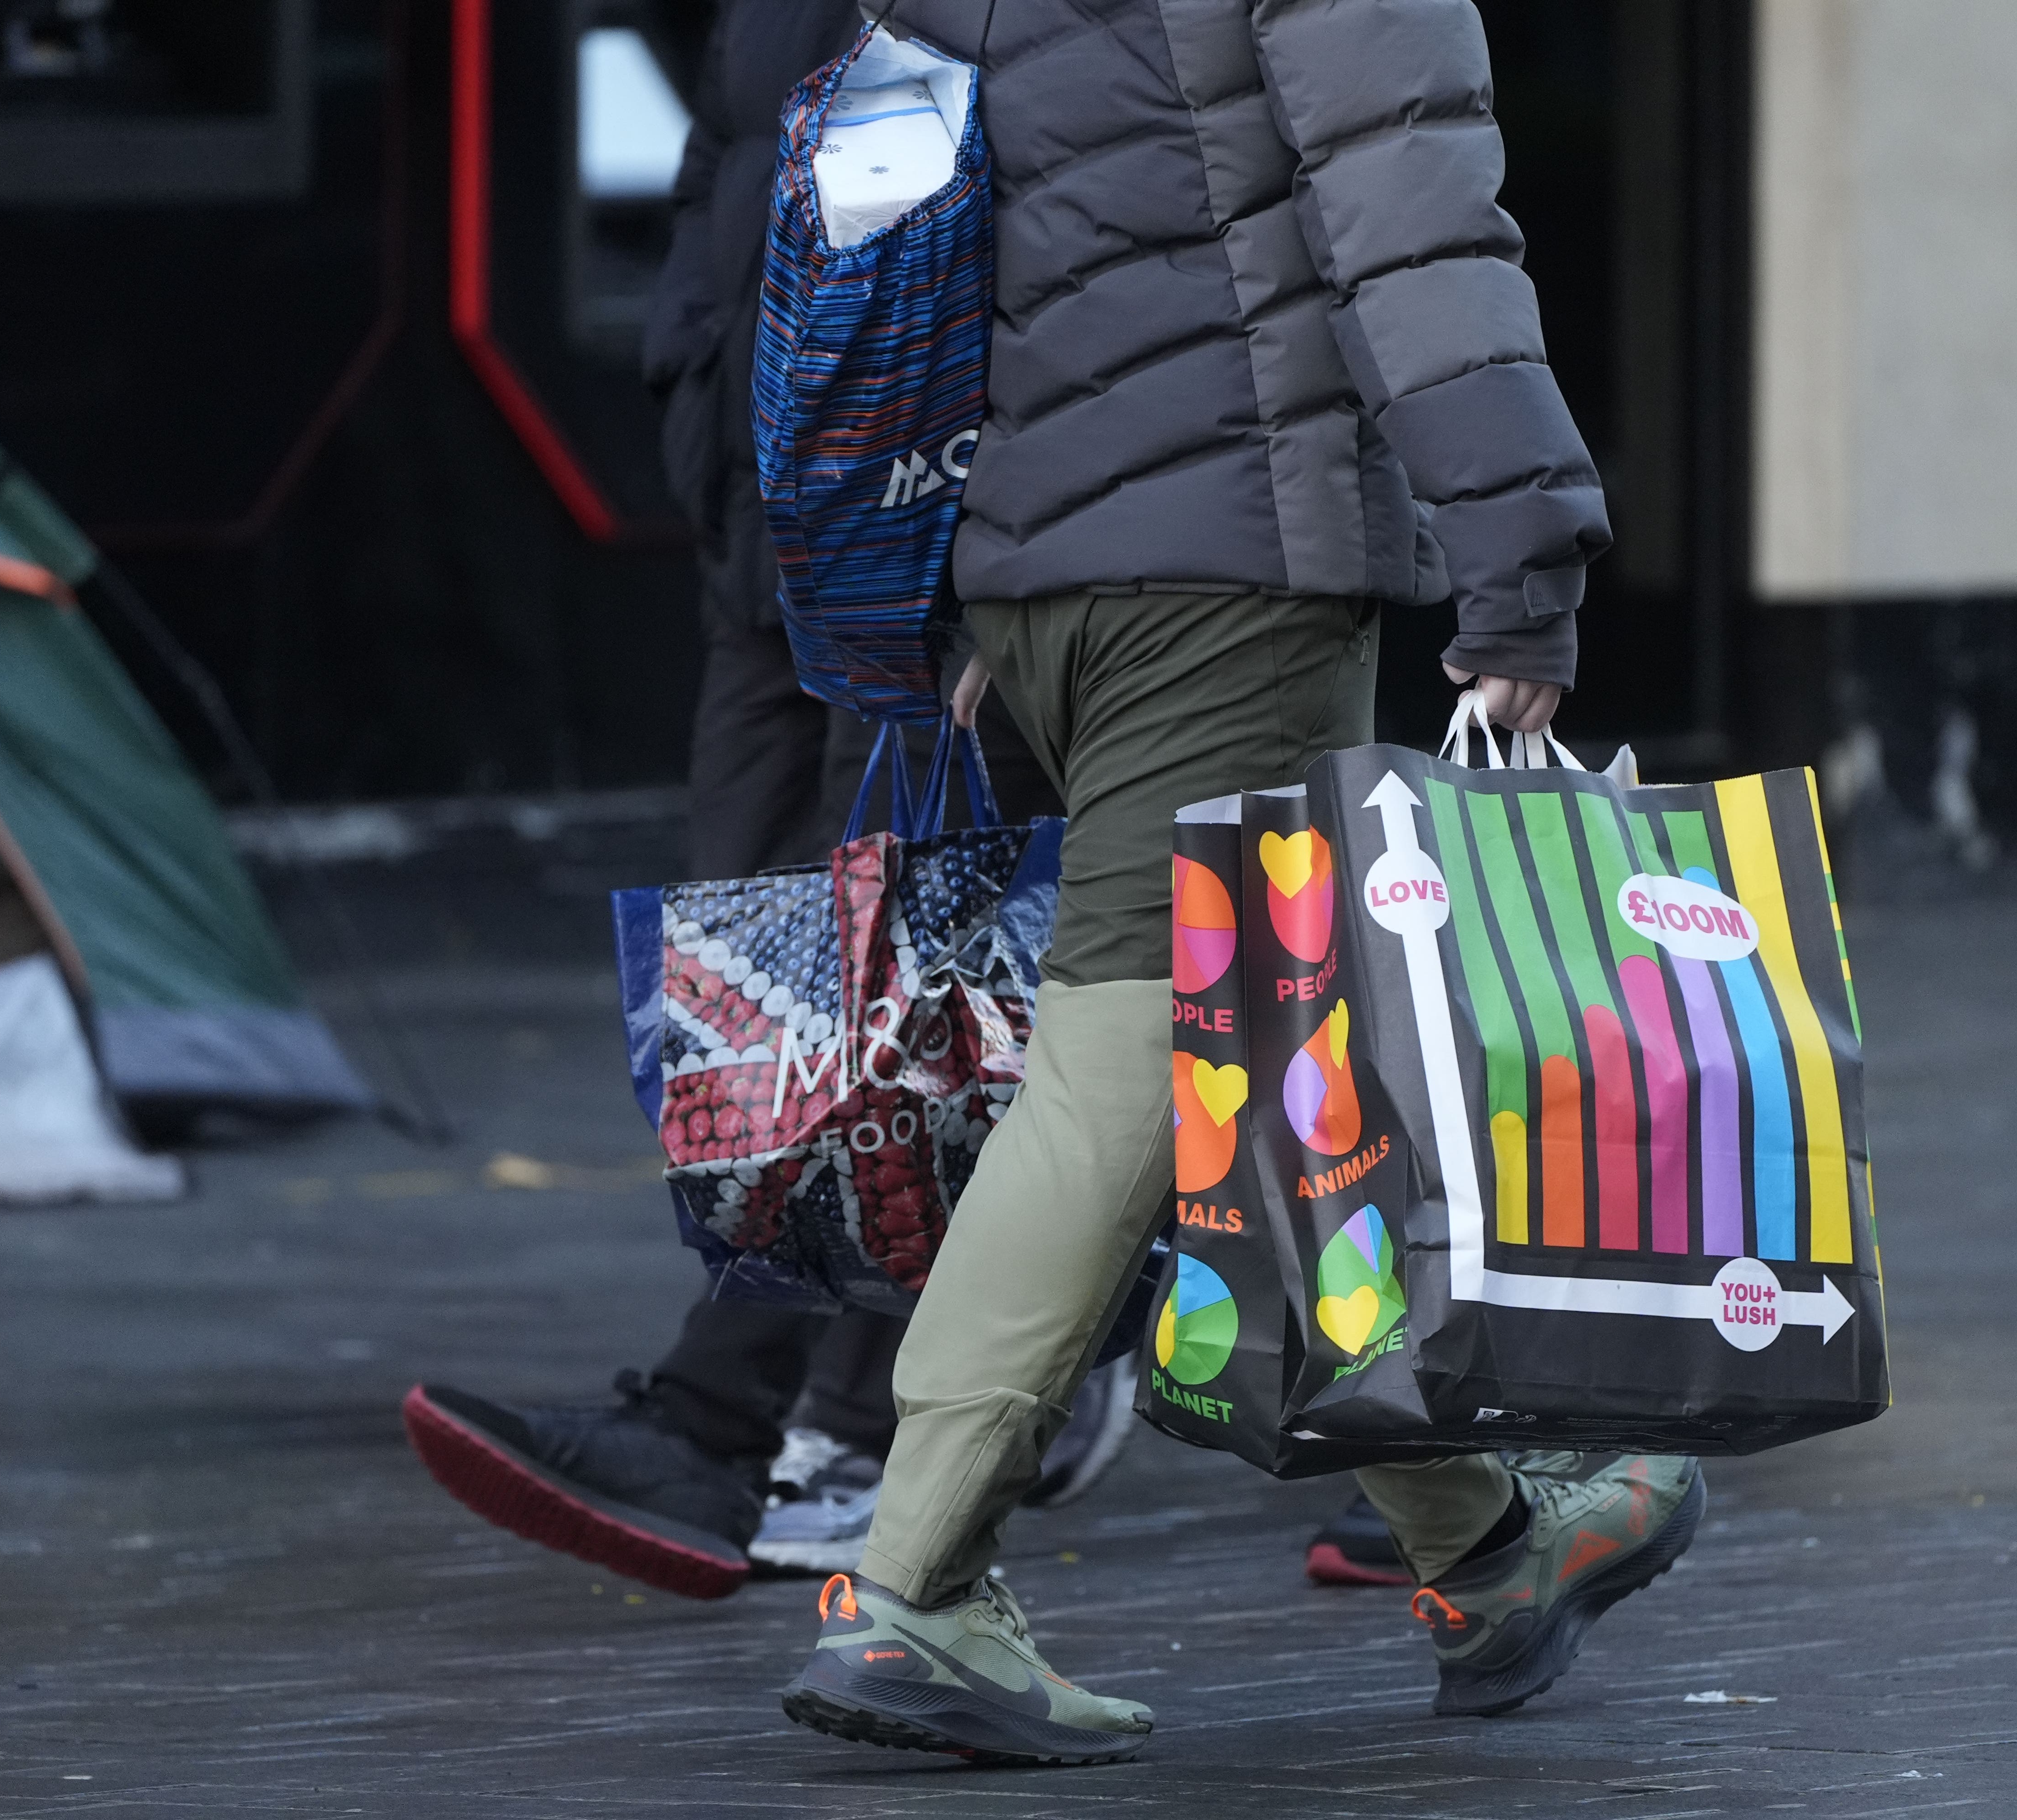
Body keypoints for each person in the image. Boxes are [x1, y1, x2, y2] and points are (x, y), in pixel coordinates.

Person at [777, 0, 1705, 1765]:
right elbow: (1412, 206)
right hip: (1230, 573)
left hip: (1043, 576)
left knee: (1280, 1092)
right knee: (1135, 1070)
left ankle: (1490, 1543)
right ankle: (909, 1583)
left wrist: (961, 585)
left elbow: (922, 197)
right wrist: (1523, 562)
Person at [398, 0, 1126, 1601]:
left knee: (888, 997)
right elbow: (724, 162)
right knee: (758, 972)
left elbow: (1075, 197)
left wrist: (984, 517)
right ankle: (940, 1380)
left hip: (926, 541)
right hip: (765, 535)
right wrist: (696, 393)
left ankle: (769, 1427)